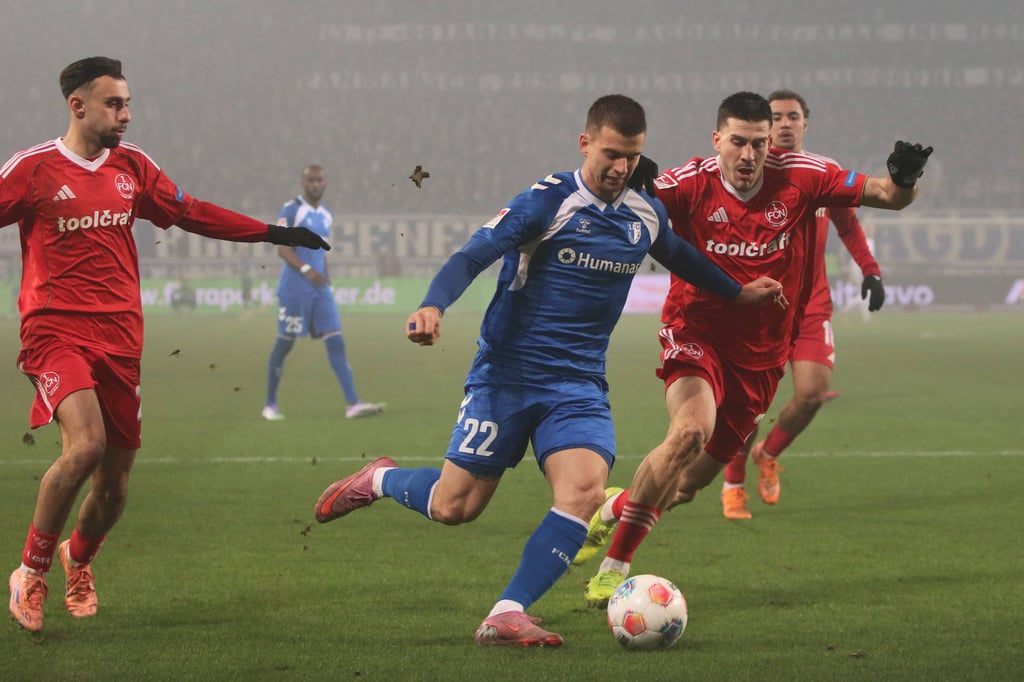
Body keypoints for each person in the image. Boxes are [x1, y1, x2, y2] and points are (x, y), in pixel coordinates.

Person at [312, 94, 785, 647]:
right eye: (611, 154)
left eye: (631, 157)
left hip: (578, 383)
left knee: (582, 493)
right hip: (506, 375)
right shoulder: (547, 202)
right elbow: (472, 255)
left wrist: (738, 291)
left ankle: (507, 613)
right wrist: (433, 305)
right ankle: (379, 479)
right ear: (585, 144)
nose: (620, 168)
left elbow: (681, 255)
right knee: (455, 506)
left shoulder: (644, 213)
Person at [3, 56, 329, 633]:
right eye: (114, 104)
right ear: (77, 105)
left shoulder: (133, 167)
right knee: (84, 448)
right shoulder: (32, 170)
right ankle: (30, 572)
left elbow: (191, 212)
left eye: (127, 103)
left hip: (121, 339)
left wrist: (273, 232)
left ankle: (78, 557)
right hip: (54, 332)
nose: (126, 114)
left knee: (114, 487)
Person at [578, 91, 931, 606]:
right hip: (696, 331)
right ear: (717, 140)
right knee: (688, 432)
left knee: (685, 485)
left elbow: (889, 196)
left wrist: (904, 177)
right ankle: (615, 567)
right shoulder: (691, 181)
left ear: (771, 143)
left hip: (763, 353)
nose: (748, 156)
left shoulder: (805, 176)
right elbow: (627, 203)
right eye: (737, 142)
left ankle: (614, 511)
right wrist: (631, 185)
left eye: (759, 144)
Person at [720, 89, 886, 520]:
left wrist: (870, 269)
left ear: (805, 123)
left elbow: (848, 224)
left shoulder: (820, 174)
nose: (785, 124)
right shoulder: (751, 175)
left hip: (811, 304)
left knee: (811, 393)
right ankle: (733, 483)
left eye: (793, 116)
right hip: (762, 305)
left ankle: (768, 453)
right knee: (751, 405)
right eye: (776, 118)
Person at [261, 165, 383, 421]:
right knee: (284, 345)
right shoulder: (292, 209)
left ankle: (353, 404)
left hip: (320, 289)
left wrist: (326, 278)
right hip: (295, 290)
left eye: (319, 180)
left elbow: (321, 250)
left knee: (336, 341)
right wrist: (307, 270)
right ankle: (270, 404)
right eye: (310, 180)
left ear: (325, 183)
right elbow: (282, 249)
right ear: (302, 183)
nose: (315, 184)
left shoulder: (328, 214)